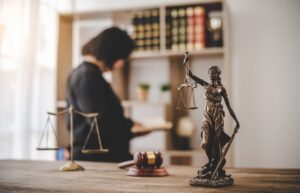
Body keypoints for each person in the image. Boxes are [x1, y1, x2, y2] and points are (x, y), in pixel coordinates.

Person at [66, 27, 148, 162]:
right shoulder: (88, 76)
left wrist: (130, 126)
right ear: (112, 52)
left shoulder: (82, 73)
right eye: (123, 58)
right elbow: (99, 123)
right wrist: (130, 127)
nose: (122, 64)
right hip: (97, 159)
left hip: (95, 156)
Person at [189, 66, 239, 178]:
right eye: (210, 73)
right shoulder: (205, 85)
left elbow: (229, 107)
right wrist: (186, 63)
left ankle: (214, 165)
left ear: (218, 74)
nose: (211, 75)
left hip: (217, 115)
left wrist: (236, 121)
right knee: (205, 142)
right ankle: (212, 162)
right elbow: (192, 76)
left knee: (216, 142)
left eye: (214, 73)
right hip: (207, 115)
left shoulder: (222, 88)